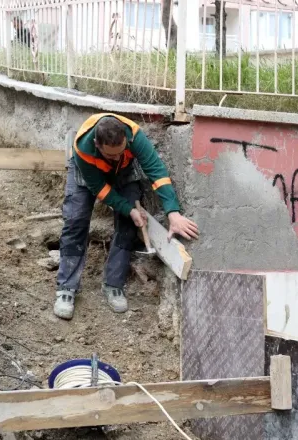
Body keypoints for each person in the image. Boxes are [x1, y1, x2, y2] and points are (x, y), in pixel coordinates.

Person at [54, 113, 199, 320]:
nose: (115, 156)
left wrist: (173, 213)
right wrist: (128, 208)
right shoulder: (84, 148)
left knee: (129, 223)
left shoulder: (134, 137)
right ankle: (66, 288)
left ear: (126, 141)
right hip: (89, 174)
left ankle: (113, 284)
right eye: (111, 155)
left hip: (125, 170)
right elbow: (101, 190)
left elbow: (157, 172)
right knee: (76, 219)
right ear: (97, 144)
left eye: (120, 151)